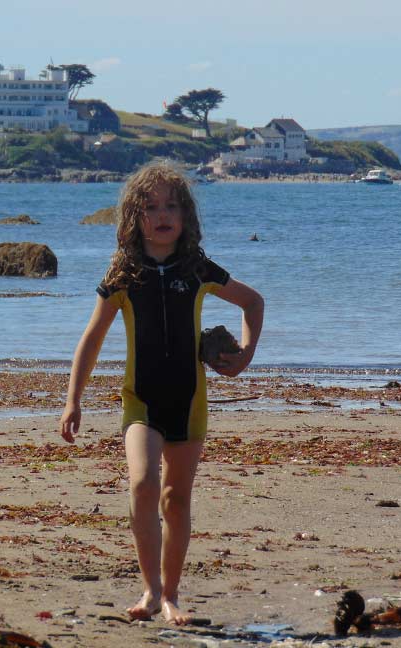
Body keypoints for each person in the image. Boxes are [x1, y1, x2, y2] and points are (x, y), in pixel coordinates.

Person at [59, 162, 264, 625]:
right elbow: (92, 338)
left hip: (189, 402)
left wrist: (245, 354)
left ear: (186, 216)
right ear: (134, 217)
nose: (162, 214)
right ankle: (149, 589)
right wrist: (74, 399)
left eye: (172, 205)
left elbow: (253, 302)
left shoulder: (197, 269)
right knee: (142, 483)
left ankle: (171, 594)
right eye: (151, 207)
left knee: (176, 499)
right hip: (141, 401)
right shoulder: (124, 273)